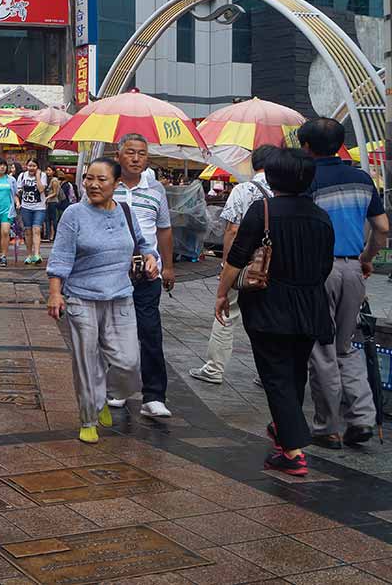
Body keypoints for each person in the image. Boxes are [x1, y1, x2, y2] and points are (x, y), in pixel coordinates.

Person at [215, 149, 335, 476]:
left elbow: (237, 258)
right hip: (309, 306)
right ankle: (284, 429)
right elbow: (324, 266)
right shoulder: (321, 216)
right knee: (294, 373)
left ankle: (293, 453)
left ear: (271, 176)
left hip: (269, 305)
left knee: (276, 375)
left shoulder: (263, 209)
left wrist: (222, 293)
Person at [47, 157, 158, 444]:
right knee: (86, 362)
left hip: (120, 296)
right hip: (81, 298)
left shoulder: (125, 211)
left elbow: (143, 244)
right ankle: (89, 419)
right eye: (89, 178)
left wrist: (151, 258)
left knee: (129, 363)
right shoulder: (74, 214)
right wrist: (55, 293)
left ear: (116, 183)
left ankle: (105, 394)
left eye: (101, 179)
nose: (93, 185)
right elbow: (60, 256)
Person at [299, 117, 388, 448]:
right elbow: (382, 228)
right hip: (353, 269)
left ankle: (328, 427)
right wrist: (366, 257)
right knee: (346, 346)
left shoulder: (307, 179)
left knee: (322, 349)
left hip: (319, 271)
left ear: (306, 146)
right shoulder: (362, 179)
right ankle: (362, 418)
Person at [191, 145, 278, 385]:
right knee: (267, 317)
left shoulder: (243, 190)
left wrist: (226, 265)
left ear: (253, 164)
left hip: (242, 263)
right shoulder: (282, 191)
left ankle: (214, 369)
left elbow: (232, 230)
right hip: (271, 266)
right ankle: (268, 373)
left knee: (226, 313)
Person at [110, 134, 175, 418]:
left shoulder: (156, 189)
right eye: (130, 152)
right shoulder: (107, 185)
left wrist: (168, 266)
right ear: (118, 156)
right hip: (112, 274)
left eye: (141, 153)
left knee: (150, 332)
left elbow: (164, 229)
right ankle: (118, 389)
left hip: (148, 273)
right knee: (114, 332)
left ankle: (154, 396)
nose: (136, 158)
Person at [16, 158, 46, 264]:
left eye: (34, 166)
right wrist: (18, 202)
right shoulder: (22, 176)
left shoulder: (42, 175)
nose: (31, 168)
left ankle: (37, 254)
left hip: (39, 207)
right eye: (29, 166)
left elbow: (41, 189)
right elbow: (17, 192)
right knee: (28, 231)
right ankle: (29, 255)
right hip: (26, 207)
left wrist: (37, 177)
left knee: (36, 229)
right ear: (26, 166)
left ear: (37, 167)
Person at [43, 165, 62, 242]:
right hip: (49, 202)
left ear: (53, 172)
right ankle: (48, 236)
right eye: (47, 170)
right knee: (48, 219)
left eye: (49, 170)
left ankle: (55, 236)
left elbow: (55, 193)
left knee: (53, 219)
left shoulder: (54, 180)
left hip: (53, 202)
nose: (47, 172)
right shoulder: (50, 180)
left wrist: (47, 197)